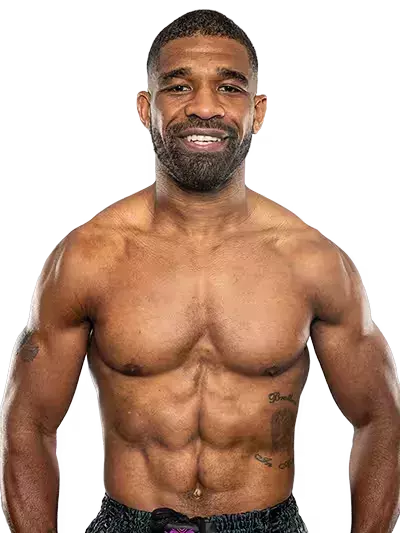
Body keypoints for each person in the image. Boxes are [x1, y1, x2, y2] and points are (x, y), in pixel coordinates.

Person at [1, 8, 399, 533]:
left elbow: (380, 418)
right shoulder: (88, 258)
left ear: (258, 111)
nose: (205, 107)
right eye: (179, 87)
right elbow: (27, 425)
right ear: (145, 108)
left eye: (229, 88)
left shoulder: (312, 262)